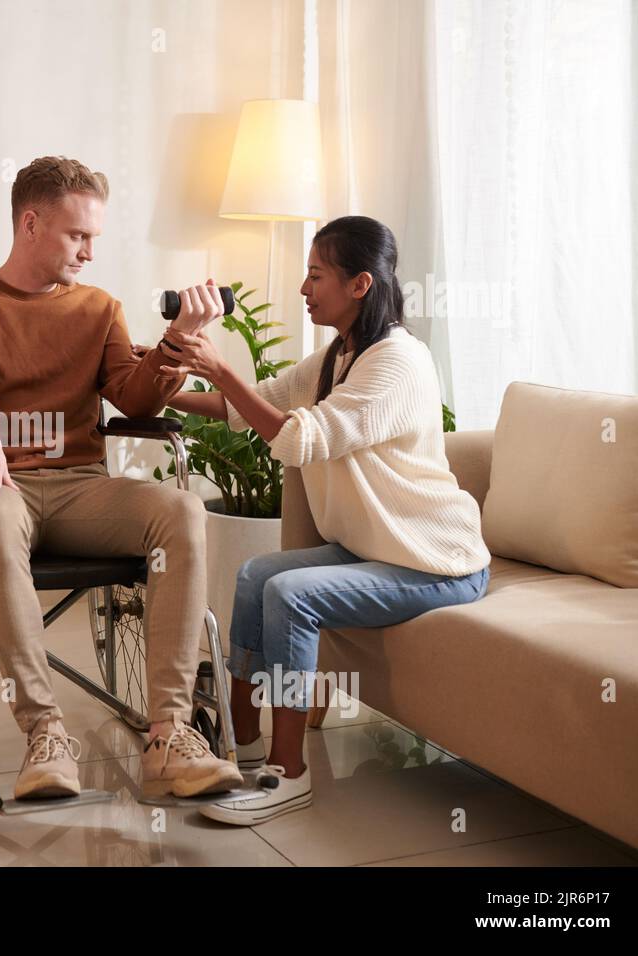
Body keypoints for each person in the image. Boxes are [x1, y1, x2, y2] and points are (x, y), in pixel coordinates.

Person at [0, 156, 242, 801]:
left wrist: (176, 340)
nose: (89, 253)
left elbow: (136, 402)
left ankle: (169, 733)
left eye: (95, 239)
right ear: (30, 223)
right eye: (77, 236)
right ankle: (46, 733)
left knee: (182, 510)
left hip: (81, 487)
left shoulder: (98, 309)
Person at [152, 215, 492, 825]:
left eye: (316, 275)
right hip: (381, 552)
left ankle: (289, 774)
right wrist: (161, 387)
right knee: (257, 574)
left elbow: (297, 439)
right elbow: (246, 406)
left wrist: (219, 365)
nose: (304, 289)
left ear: (360, 284)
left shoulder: (396, 365)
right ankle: (242, 746)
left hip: (436, 562)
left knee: (290, 594)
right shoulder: (338, 356)